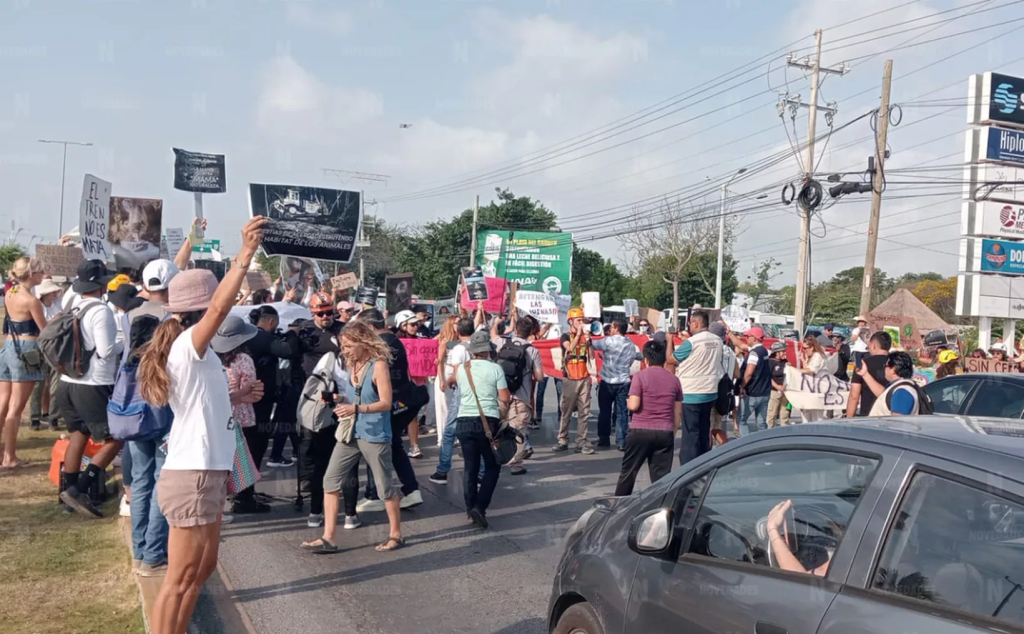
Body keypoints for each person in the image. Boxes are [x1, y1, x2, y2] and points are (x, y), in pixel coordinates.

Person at [141, 216, 266, 634]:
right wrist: (244, 254)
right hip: (192, 472)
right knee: (180, 578)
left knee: (202, 568)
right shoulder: (188, 345)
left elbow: (200, 403)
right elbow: (219, 308)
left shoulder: (200, 352)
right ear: (201, 310)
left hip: (206, 470)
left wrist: (236, 397)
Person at [300, 320, 405, 554]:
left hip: (374, 434)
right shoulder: (352, 365)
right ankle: (328, 537)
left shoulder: (378, 366)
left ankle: (396, 535)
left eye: (348, 346)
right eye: (343, 346)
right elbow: (355, 397)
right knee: (330, 480)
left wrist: (355, 408)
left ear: (363, 342)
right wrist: (339, 400)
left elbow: (386, 403)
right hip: (350, 431)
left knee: (384, 487)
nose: (344, 351)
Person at [56, 260, 125, 515]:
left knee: (79, 435)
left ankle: (69, 497)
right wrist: (125, 343)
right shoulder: (101, 311)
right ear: (101, 284)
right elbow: (106, 351)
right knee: (115, 438)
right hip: (94, 382)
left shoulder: (71, 304)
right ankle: (80, 490)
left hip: (67, 381)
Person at [355, 309, 423, 511]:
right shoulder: (392, 340)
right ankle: (411, 490)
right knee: (393, 445)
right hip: (401, 401)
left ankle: (376, 494)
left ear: (369, 326)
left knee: (375, 444)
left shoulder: (381, 343)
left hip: (390, 403)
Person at [449, 330, 511, 529]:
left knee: (470, 466)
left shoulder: (462, 368)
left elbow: (450, 381)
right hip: (487, 421)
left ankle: (470, 508)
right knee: (492, 465)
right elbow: (505, 398)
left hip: (463, 421)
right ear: (488, 350)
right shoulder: (495, 369)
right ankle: (480, 507)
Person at [213, 316, 269, 514]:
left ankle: (224, 496)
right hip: (242, 416)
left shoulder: (212, 358)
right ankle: (244, 498)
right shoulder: (243, 359)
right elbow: (251, 390)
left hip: (219, 415)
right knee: (245, 459)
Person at [614, 340, 681, 496]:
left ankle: (619, 504)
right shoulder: (674, 379)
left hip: (640, 431)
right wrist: (672, 431)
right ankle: (660, 504)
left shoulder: (639, 377)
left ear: (646, 359)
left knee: (628, 472)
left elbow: (634, 405)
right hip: (664, 431)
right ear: (664, 359)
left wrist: (628, 401)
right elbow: (678, 412)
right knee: (661, 478)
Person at [0, 256, 46, 467]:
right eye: (40, 271)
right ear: (31, 274)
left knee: (3, 402)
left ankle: (4, 452)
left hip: (9, 345)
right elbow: (44, 330)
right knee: (16, 408)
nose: (43, 275)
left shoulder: (10, 292)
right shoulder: (31, 300)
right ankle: (10, 457)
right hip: (27, 350)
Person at [493, 316, 543, 475]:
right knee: (518, 430)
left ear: (515, 330)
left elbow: (493, 336)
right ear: (530, 333)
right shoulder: (532, 350)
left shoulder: (502, 343)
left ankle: (493, 457)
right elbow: (540, 377)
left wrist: (496, 323)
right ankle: (515, 465)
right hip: (521, 396)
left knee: (495, 426)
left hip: (501, 393)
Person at [429, 316, 475, 485]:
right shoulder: (481, 345)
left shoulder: (458, 349)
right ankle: (479, 472)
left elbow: (457, 374)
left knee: (450, 431)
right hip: (478, 390)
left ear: (459, 330)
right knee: (478, 431)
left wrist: (449, 381)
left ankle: (443, 471)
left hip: (461, 389)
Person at [673, 311, 723, 465]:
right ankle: (703, 462)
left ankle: (688, 466)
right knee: (703, 430)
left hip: (691, 393)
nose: (689, 326)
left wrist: (670, 341)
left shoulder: (691, 343)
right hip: (710, 391)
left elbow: (672, 358)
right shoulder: (718, 340)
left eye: (689, 323)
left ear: (695, 323)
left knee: (690, 434)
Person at [553, 308, 596, 455]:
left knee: (584, 412)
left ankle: (581, 442)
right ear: (570, 321)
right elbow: (570, 348)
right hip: (570, 378)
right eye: (578, 320)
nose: (581, 322)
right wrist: (578, 334)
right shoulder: (565, 336)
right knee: (567, 411)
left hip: (584, 377)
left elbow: (592, 356)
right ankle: (562, 440)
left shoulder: (585, 336)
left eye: (582, 320)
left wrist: (589, 341)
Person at [593, 318, 639, 451]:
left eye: (612, 327)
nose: (610, 329)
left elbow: (593, 344)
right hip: (623, 382)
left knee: (604, 412)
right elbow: (630, 361)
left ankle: (604, 439)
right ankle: (621, 441)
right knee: (622, 413)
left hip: (607, 382)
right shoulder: (630, 344)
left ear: (617, 329)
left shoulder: (608, 341)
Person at [29, 278, 63, 431]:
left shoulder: (57, 304)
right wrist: (55, 320)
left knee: (56, 385)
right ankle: (35, 418)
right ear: (45, 294)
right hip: (40, 347)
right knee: (38, 384)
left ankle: (53, 417)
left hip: (55, 347)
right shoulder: (38, 306)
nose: (55, 294)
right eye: (52, 292)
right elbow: (40, 327)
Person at [394, 309, 427, 458]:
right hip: (399, 386)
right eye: (412, 324)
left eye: (416, 324)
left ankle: (414, 446)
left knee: (413, 415)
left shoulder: (421, 341)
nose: (415, 327)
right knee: (397, 414)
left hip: (415, 384)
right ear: (402, 325)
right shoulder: (394, 342)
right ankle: (395, 443)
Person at [861, 351, 923, 416]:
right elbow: (883, 395)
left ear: (893, 369)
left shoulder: (902, 392)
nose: (884, 369)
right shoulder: (901, 387)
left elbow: (898, 420)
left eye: (886, 366)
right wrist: (865, 374)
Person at [846, 331, 892, 419]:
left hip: (868, 416)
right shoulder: (895, 365)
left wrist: (848, 418)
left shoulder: (863, 365)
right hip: (891, 415)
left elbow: (854, 396)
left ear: (873, 345)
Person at [737, 326, 771, 435]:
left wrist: (742, 386)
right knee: (761, 423)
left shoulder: (754, 354)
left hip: (752, 393)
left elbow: (749, 373)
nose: (746, 338)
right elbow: (741, 345)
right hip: (764, 392)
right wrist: (730, 334)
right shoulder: (764, 351)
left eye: (748, 336)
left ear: (755, 338)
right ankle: (765, 443)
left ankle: (745, 443)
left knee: (741, 420)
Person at [533, 322, 562, 429]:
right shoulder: (540, 325)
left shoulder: (560, 324)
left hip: (557, 361)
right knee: (541, 390)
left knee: (560, 390)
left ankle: (561, 413)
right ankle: (538, 413)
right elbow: (537, 338)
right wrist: (547, 325)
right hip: (544, 362)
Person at [797, 335, 828, 423]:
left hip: (818, 388)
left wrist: (796, 370)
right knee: (806, 411)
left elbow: (812, 370)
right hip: (809, 388)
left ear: (812, 347)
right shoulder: (810, 355)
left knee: (816, 414)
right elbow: (807, 368)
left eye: (806, 348)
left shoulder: (818, 355)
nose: (804, 350)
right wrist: (803, 360)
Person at [766, 341, 790, 427]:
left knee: (785, 413)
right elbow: (768, 377)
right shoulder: (770, 362)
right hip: (774, 391)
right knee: (772, 413)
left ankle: (784, 430)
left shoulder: (785, 361)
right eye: (782, 351)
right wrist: (777, 386)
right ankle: (769, 430)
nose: (784, 353)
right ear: (777, 352)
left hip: (785, 391)